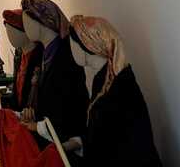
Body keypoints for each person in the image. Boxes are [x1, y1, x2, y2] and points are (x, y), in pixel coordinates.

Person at [65, 16, 161, 166]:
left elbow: (117, 143)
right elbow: (107, 133)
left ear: (87, 45)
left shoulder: (119, 85)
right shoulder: (106, 79)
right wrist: (79, 142)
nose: (70, 48)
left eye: (72, 42)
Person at [18, 0, 89, 146]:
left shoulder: (67, 55)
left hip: (64, 139)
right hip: (47, 137)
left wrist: (38, 126)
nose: (25, 28)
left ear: (43, 22)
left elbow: (71, 105)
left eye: (28, 22)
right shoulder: (40, 54)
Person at [1, 8, 43, 111]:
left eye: (14, 32)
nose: (10, 37)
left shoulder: (40, 55)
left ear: (26, 31)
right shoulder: (19, 55)